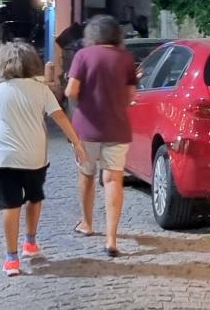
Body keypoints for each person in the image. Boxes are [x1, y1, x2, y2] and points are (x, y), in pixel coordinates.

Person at [0, 42, 88, 277]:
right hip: (35, 157)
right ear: (32, 64)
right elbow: (60, 117)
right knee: (34, 198)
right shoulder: (42, 90)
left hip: (4, 158)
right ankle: (30, 242)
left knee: (10, 206)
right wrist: (77, 143)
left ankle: (11, 259)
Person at [65, 15, 139, 256]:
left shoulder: (83, 56)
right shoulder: (126, 59)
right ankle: (111, 239)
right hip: (117, 128)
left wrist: (86, 101)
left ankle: (87, 224)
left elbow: (71, 91)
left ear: (91, 35)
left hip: (86, 128)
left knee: (86, 175)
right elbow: (130, 96)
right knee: (113, 179)